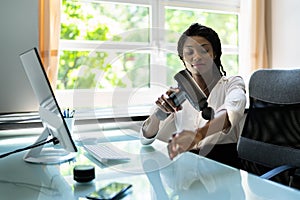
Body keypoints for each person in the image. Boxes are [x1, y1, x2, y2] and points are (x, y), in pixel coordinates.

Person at [140, 23, 246, 168]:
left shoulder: (232, 83)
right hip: (186, 167)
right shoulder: (178, 92)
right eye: (189, 52)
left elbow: (232, 111)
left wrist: (198, 135)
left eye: (204, 50)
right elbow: (146, 139)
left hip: (223, 166)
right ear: (183, 58)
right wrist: (159, 113)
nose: (196, 57)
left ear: (214, 53)